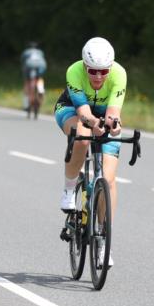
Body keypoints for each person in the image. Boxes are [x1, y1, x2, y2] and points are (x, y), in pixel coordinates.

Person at [55, 37, 127, 266]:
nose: (98, 76)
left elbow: (114, 110)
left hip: (103, 113)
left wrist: (113, 123)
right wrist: (93, 122)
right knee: (83, 136)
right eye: (93, 71)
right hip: (72, 110)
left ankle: (104, 239)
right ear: (85, 66)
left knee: (108, 179)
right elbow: (84, 112)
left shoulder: (119, 74)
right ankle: (68, 190)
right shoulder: (74, 71)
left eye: (103, 71)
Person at [20, 41, 47, 118]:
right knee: (40, 78)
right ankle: (41, 89)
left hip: (29, 66)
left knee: (27, 82)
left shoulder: (26, 52)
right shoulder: (40, 52)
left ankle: (26, 102)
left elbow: (22, 61)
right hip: (41, 65)